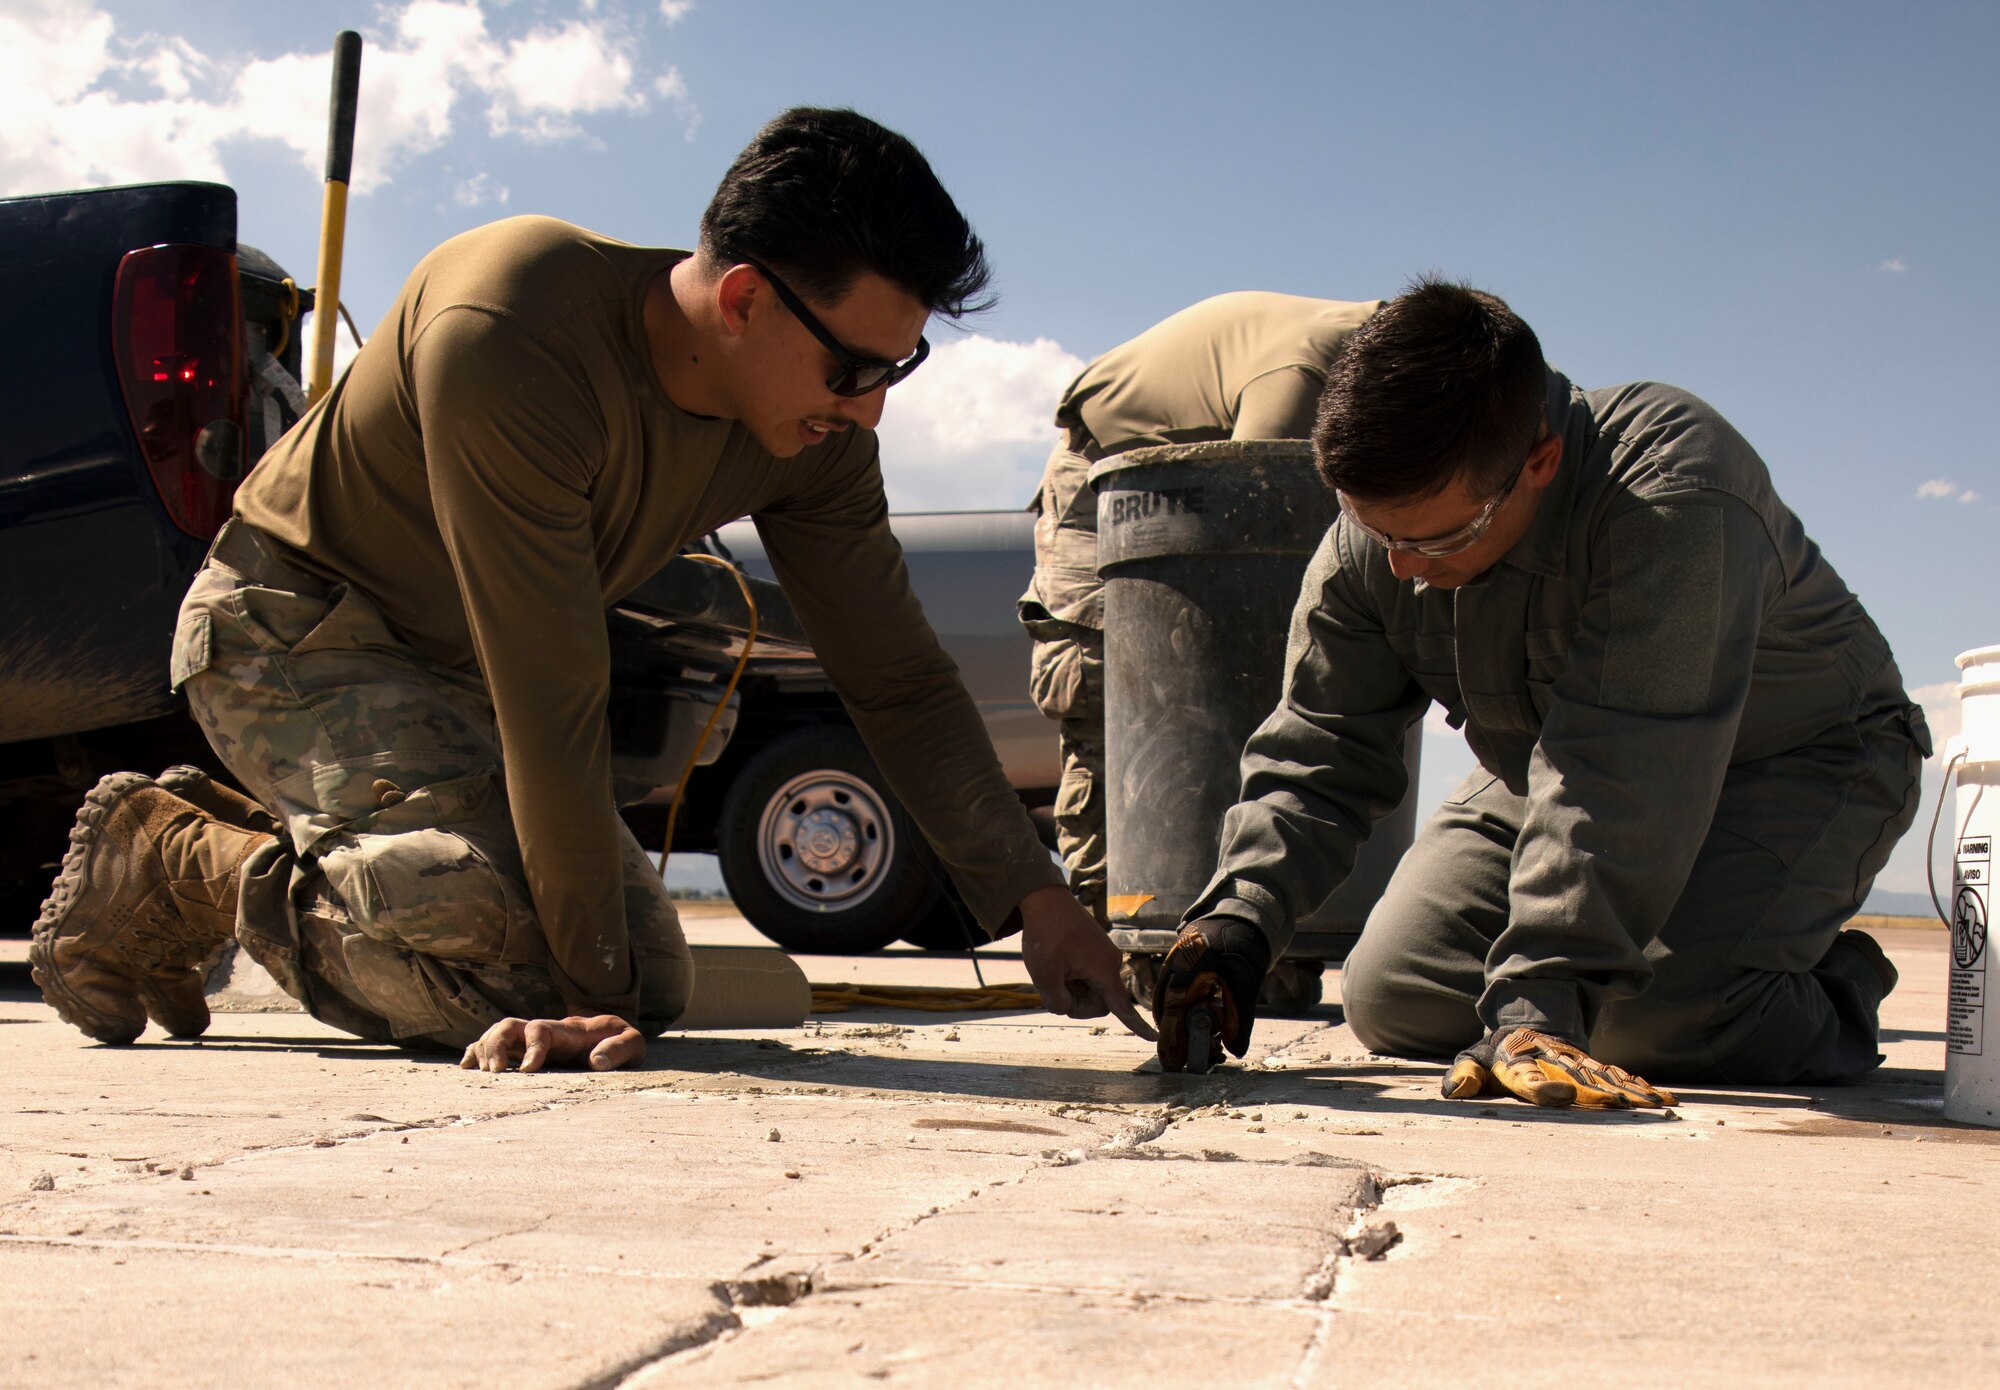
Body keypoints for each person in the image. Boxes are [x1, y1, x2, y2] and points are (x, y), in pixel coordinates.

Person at [31, 106, 1150, 1073]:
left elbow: (895, 675)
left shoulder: (812, 436)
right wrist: (571, 1002)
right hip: (293, 625)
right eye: (852, 370)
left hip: (458, 670)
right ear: (747, 299)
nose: (868, 410)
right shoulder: (511, 328)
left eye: (893, 372)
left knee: (652, 976)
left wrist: (1036, 901)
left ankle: (300, 865)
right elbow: (553, 697)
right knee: (509, 966)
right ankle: (176, 858)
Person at [1152, 279, 1927, 1108]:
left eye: (1438, 538)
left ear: (1540, 463)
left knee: (1643, 1019)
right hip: (1551, 763)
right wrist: (1240, 917)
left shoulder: (1671, 491)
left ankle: (1836, 985)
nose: (1403, 569)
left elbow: (1626, 770)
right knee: (1395, 994)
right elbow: (1322, 742)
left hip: (1798, 764)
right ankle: (1693, 956)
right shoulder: (1379, 543)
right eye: (1375, 530)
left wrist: (1539, 1004)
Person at [1017, 292, 1381, 922]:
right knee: (1113, 695)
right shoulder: (1303, 377)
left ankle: (1235, 916)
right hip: (1101, 476)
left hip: (1184, 483)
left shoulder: (1386, 358)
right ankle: (1115, 927)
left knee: (1237, 693)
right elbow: (1245, 531)